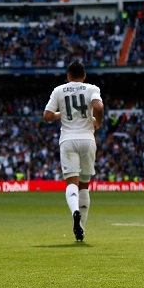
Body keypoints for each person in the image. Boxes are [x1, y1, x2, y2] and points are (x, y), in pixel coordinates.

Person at [43, 61, 104, 242]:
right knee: (84, 184)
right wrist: (97, 122)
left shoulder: (59, 90)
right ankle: (82, 229)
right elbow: (99, 107)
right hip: (87, 138)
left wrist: (60, 114)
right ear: (84, 76)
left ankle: (74, 211)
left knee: (72, 182)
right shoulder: (92, 88)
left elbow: (47, 116)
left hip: (68, 139)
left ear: (68, 75)